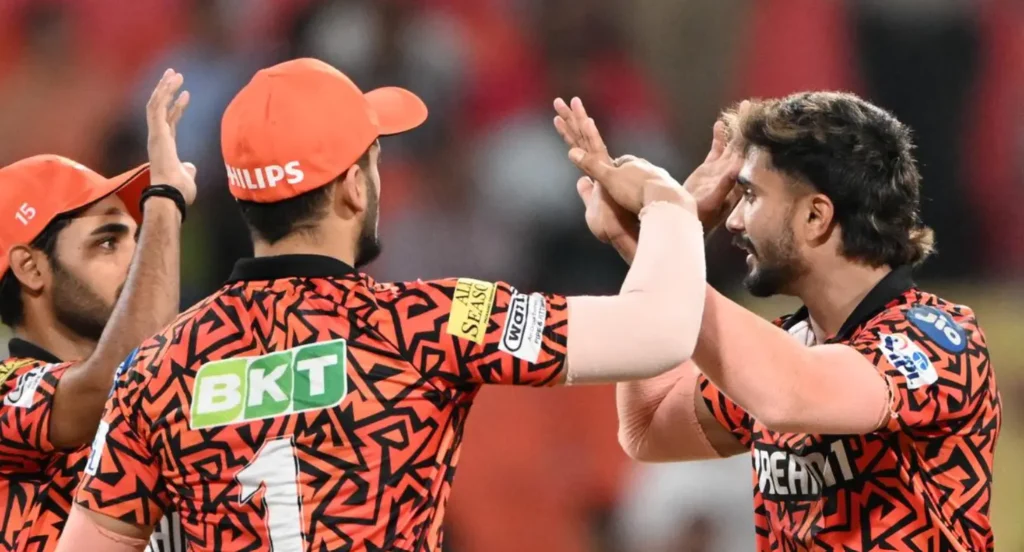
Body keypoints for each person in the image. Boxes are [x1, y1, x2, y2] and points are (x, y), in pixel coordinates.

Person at [56, 57, 708, 552]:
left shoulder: (155, 368)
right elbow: (660, 330)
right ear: (350, 189)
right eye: (373, 160)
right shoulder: (431, 322)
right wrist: (664, 200)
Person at [555, 92, 1001, 551]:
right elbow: (648, 428)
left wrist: (670, 225)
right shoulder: (791, 342)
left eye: (750, 194)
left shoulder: (938, 341)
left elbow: (789, 395)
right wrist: (654, 245)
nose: (734, 220)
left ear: (815, 216)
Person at [0, 69, 196, 552]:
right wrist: (165, 203)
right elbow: (117, 384)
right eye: (107, 242)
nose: (137, 256)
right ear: (30, 268)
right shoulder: (7, 393)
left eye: (137, 235)